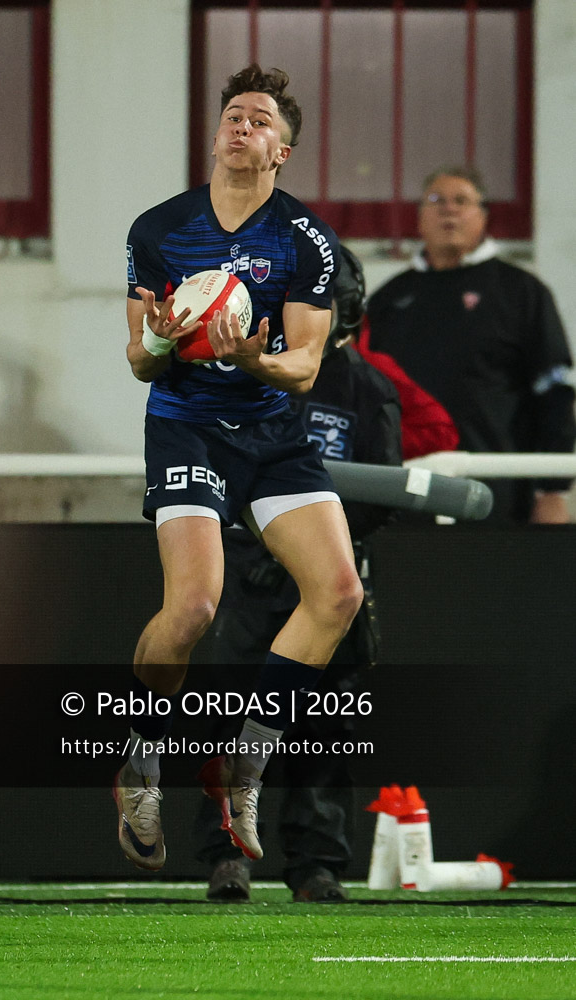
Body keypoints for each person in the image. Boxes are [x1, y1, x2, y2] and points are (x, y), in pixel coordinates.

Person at [115, 64, 364, 873]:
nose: (239, 126)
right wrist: (160, 336)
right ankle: (143, 761)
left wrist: (256, 362)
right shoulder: (159, 228)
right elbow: (138, 363)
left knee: (337, 593)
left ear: (280, 150)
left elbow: (303, 370)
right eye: (231, 114)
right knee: (191, 610)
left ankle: (243, 763)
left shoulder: (304, 242)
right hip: (186, 429)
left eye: (257, 120)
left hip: (269, 432)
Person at [194, 246, 403, 902]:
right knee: (230, 717)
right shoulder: (244, 377)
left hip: (331, 585)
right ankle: (226, 855)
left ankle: (316, 861)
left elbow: (381, 496)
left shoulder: (367, 390)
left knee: (324, 723)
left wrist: (316, 548)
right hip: (251, 575)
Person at [358, 165, 576, 523]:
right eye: (437, 200)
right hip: (405, 492)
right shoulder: (389, 299)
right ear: (420, 219)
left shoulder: (521, 292)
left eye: (462, 201)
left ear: (483, 216)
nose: (449, 209)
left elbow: (553, 391)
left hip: (499, 492)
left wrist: (552, 489)